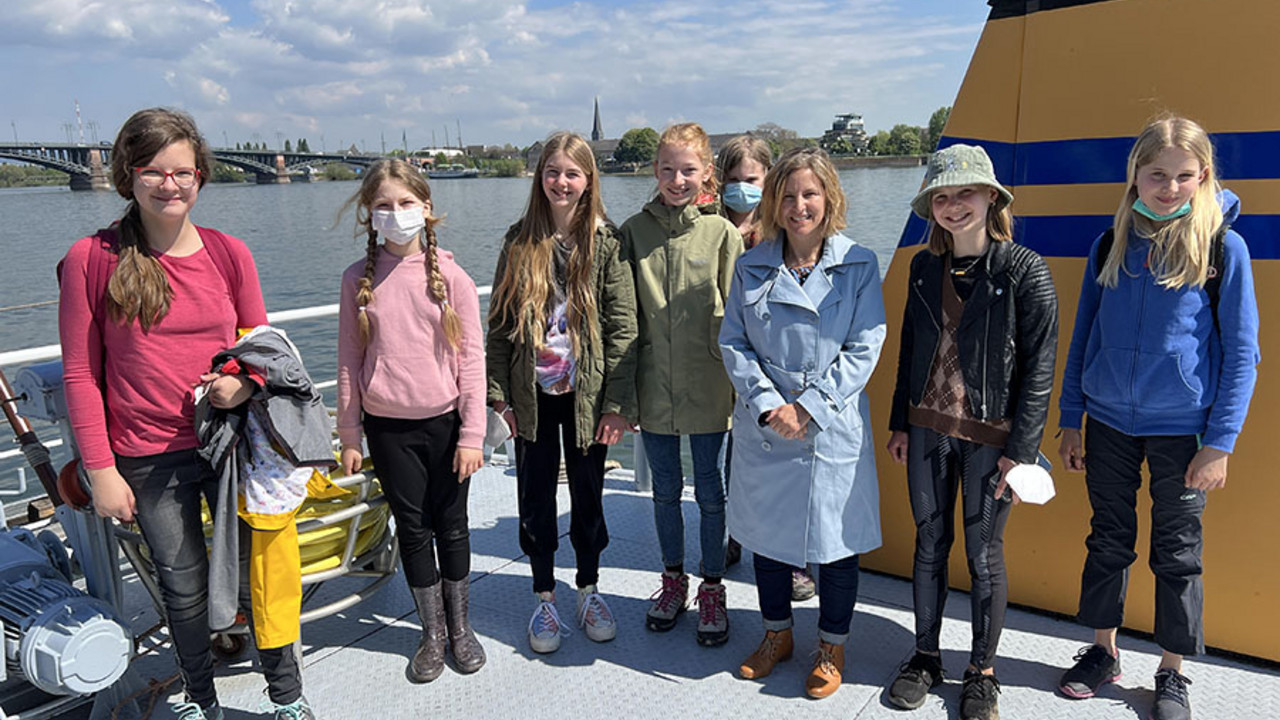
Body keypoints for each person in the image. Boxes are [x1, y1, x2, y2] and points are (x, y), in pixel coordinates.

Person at [57, 107, 313, 720]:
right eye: (153, 171)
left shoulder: (229, 254)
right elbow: (80, 375)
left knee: (264, 571)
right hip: (148, 455)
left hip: (235, 445)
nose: (169, 185)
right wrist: (101, 470)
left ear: (200, 175)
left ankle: (287, 698)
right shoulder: (92, 260)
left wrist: (242, 385)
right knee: (183, 586)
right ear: (128, 174)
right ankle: (202, 700)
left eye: (182, 171)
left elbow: (262, 348)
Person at [1056, 116, 1259, 720]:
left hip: (1184, 430)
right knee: (1108, 538)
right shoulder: (1109, 243)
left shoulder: (1224, 247)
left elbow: (1243, 352)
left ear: (1203, 178)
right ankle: (1102, 652)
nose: (1169, 187)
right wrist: (1072, 417)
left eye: (1183, 176)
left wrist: (1219, 442)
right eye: (1156, 175)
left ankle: (1172, 670)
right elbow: (1084, 335)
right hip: (1110, 422)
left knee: (1177, 551)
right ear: (1135, 176)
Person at [884, 144, 1058, 720]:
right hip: (928, 428)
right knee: (929, 541)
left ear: (991, 198)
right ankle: (925, 655)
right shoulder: (921, 266)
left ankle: (981, 671)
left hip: (993, 439)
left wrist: (1022, 451)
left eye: (965, 193)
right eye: (942, 196)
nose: (953, 206)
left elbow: (1040, 365)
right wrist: (898, 421)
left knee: (984, 554)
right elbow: (909, 348)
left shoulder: (1025, 270)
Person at [720, 147, 886, 699]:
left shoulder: (859, 263)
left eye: (810, 194)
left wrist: (810, 407)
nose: (799, 206)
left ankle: (832, 646)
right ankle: (776, 636)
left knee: (837, 544)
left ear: (830, 198)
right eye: (787, 196)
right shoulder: (750, 265)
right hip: (768, 426)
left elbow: (866, 345)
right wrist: (771, 405)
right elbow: (735, 343)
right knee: (770, 539)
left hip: (829, 425)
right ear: (773, 202)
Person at [486, 131, 638, 654]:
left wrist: (617, 404)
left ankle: (589, 589)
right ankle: (544, 594)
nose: (562, 181)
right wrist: (497, 394)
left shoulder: (606, 243)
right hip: (532, 395)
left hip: (587, 396)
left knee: (588, 496)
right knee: (534, 497)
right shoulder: (519, 241)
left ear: (588, 180)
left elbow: (623, 328)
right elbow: (502, 327)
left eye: (572, 172)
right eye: (552, 171)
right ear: (540, 178)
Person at [336, 159, 487, 683]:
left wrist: (473, 434)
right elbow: (349, 361)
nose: (396, 214)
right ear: (369, 214)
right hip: (388, 428)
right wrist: (350, 432)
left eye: (405, 204)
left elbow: (471, 361)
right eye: (384, 205)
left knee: (452, 526)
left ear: (426, 209)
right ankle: (433, 633)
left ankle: (461, 628)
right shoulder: (357, 279)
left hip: (445, 426)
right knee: (414, 530)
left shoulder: (454, 278)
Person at [619, 122, 743, 647]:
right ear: (654, 171)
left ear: (706, 173)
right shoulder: (633, 232)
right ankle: (673, 580)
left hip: (710, 383)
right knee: (664, 490)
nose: (677, 179)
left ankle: (712, 586)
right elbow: (623, 317)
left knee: (712, 492)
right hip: (654, 385)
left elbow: (740, 318)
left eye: (688, 169)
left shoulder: (723, 235)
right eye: (667, 169)